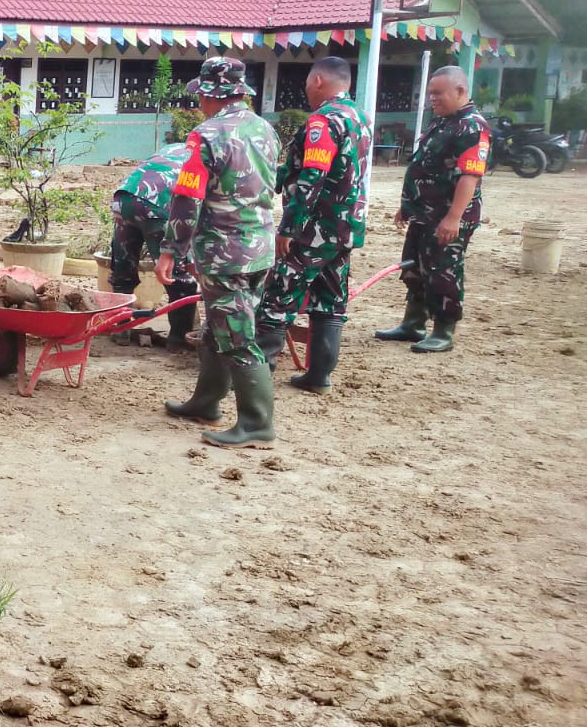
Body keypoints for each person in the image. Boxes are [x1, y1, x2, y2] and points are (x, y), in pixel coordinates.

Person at [155, 57, 279, 448]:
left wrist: (170, 249)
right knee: (219, 327)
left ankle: (257, 423)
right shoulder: (265, 130)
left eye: (200, 98)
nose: (198, 105)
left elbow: (187, 197)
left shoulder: (206, 136)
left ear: (209, 94)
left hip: (225, 253)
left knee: (238, 336)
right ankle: (206, 401)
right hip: (260, 247)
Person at [253, 57, 370, 392]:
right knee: (330, 300)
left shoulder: (324, 121)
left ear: (318, 80)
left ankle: (257, 377)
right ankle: (319, 376)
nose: (305, 88)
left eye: (306, 82)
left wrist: (290, 227)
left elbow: (312, 177)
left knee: (278, 297)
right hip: (345, 228)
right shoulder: (359, 118)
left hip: (314, 229)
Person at [375, 65, 489, 354]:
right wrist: (407, 206)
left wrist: (453, 218)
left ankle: (443, 329)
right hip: (424, 214)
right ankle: (413, 323)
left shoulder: (473, 127)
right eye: (430, 94)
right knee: (415, 268)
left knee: (443, 271)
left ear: (460, 91)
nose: (432, 100)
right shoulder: (444, 122)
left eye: (438, 94)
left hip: (447, 216)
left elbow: (470, 177)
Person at [107, 141, 197, 350]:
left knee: (123, 267)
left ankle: (120, 330)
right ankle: (179, 339)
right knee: (178, 277)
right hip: (157, 204)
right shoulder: (204, 158)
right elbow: (194, 210)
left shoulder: (172, 148)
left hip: (124, 198)